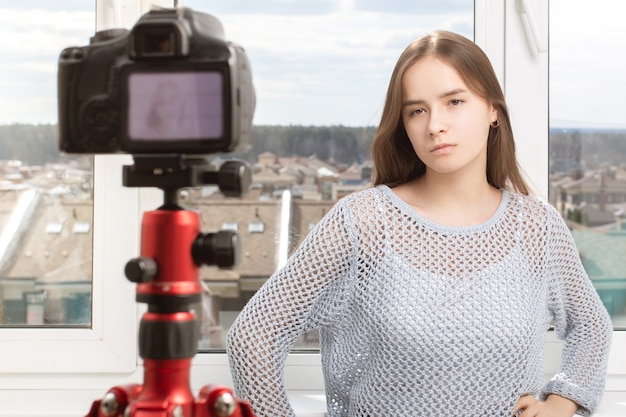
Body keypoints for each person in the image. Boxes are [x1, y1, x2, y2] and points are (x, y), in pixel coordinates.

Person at [226, 30, 613, 417]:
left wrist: (562, 403)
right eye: (417, 110)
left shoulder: (536, 227)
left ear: (493, 110)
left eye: (454, 101)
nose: (435, 125)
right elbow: (253, 336)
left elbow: (593, 327)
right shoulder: (363, 223)